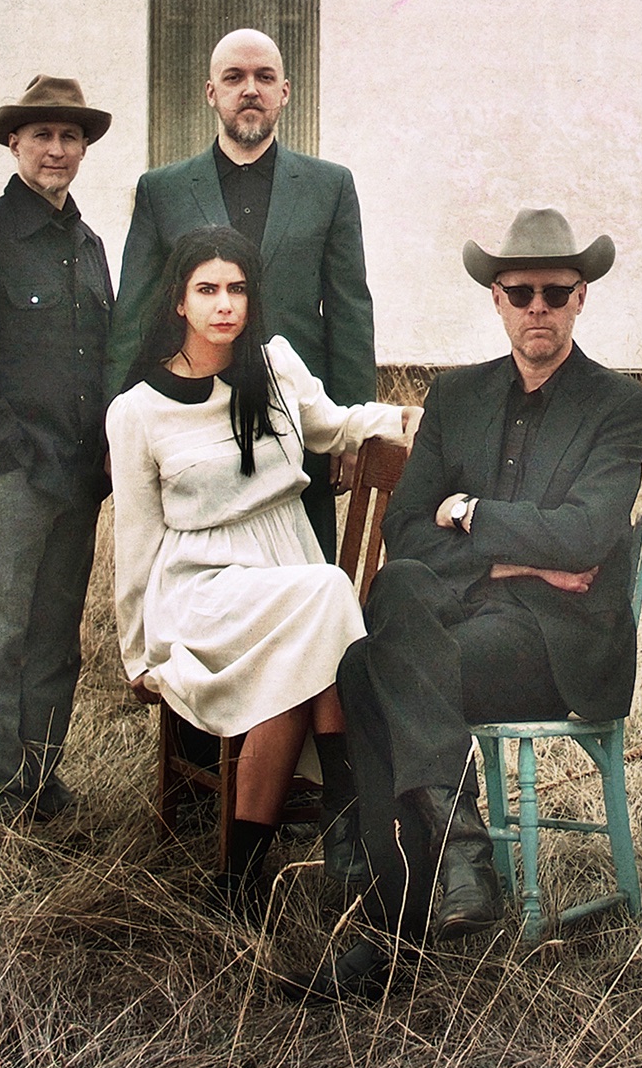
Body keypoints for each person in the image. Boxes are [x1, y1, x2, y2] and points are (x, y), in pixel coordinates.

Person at [306, 207, 642, 1001]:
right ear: (496, 299)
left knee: (371, 667)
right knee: (389, 609)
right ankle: (451, 849)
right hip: (459, 626)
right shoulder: (454, 396)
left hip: (555, 646)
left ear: (581, 298)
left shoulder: (621, 406)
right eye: (520, 291)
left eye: (555, 292)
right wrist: (510, 561)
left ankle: (397, 923)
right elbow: (404, 533)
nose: (538, 307)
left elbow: (583, 537)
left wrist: (467, 517)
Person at [106, 225, 418, 918]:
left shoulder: (273, 367)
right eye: (207, 290)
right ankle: (347, 820)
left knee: (295, 663)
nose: (225, 305)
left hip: (286, 570)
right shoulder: (136, 411)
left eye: (238, 289)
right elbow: (137, 536)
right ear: (178, 303)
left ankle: (239, 880)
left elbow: (335, 426)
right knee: (330, 595)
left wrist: (410, 417)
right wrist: (138, 649)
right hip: (202, 588)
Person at [107, 29, 375, 565]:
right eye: (234, 78)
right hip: (195, 427)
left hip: (297, 419)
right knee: (198, 580)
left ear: (285, 92)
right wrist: (120, 431)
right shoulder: (162, 190)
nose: (249, 89)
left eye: (264, 78)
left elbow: (349, 312)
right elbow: (133, 316)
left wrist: (351, 430)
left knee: (307, 580)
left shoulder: (330, 186)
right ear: (211, 93)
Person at [0, 75, 115, 825]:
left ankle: (41, 780)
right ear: (15, 143)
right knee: (0, 637)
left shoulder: (90, 245)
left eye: (71, 138)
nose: (57, 150)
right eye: (43, 136)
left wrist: (102, 451)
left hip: (77, 475)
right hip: (11, 474)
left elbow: (103, 356)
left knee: (56, 638)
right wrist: (6, 446)